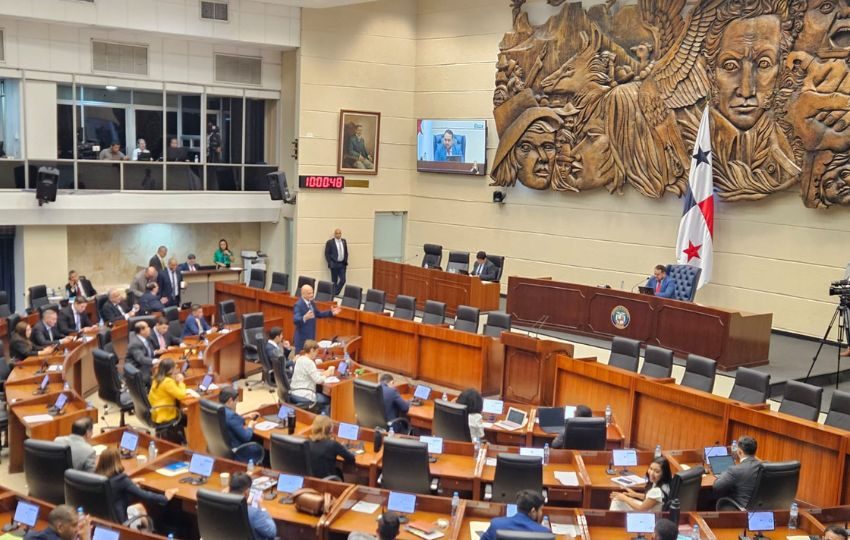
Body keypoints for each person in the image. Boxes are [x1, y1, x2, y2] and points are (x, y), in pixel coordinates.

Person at [95, 448, 176, 525]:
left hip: (103, 520)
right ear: (117, 461)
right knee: (141, 509)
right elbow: (144, 495)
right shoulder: (121, 479)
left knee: (138, 506)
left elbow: (115, 486)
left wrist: (130, 482)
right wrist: (165, 498)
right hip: (120, 521)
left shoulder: (97, 477)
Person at [713, 435, 762, 509]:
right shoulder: (766, 466)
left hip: (742, 508)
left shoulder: (736, 470)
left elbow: (717, 487)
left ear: (739, 452)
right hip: (761, 507)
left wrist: (724, 473)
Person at [481, 489, 550, 540]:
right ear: (533, 511)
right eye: (541, 509)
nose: (541, 513)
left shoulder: (496, 524)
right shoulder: (544, 533)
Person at [219, 386, 264, 464]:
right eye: (236, 401)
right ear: (230, 400)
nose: (236, 403)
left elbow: (229, 421)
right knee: (261, 446)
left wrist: (246, 416)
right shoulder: (232, 416)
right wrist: (250, 426)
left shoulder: (218, 409)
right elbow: (246, 437)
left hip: (222, 450)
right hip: (238, 451)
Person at [290, 340, 335, 415]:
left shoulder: (300, 359)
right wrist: (327, 374)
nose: (316, 354)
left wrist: (322, 373)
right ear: (311, 350)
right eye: (316, 352)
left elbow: (310, 373)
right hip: (304, 394)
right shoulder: (309, 362)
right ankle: (323, 424)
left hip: (294, 392)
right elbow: (318, 380)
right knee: (328, 401)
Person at [293, 284, 341, 352]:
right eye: (309, 293)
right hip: (302, 340)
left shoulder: (311, 302)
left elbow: (318, 314)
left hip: (311, 338)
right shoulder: (298, 305)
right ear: (303, 294)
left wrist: (331, 313)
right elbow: (295, 320)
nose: (312, 295)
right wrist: (304, 317)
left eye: (312, 292)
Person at [228, 472, 276, 540]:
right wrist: (261, 508)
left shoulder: (218, 504)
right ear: (246, 492)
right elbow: (272, 532)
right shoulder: (254, 513)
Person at [148, 358, 186, 425]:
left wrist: (175, 380)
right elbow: (181, 395)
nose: (176, 370)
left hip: (156, 413)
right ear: (170, 370)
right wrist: (181, 382)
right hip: (165, 414)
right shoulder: (167, 381)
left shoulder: (157, 378)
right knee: (188, 417)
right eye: (175, 368)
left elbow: (170, 389)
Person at [23, 504, 91, 540]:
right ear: (60, 527)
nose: (78, 530)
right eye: (74, 525)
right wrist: (86, 538)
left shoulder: (30, 535)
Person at [126, 320, 156, 387]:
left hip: (146, 364)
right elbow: (141, 359)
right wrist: (155, 361)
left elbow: (148, 351)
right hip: (138, 368)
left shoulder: (146, 338)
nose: (149, 329)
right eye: (147, 327)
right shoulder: (135, 343)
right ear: (141, 331)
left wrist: (156, 352)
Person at [324, 228, 348, 295]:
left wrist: (345, 261)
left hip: (342, 264)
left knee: (343, 280)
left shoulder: (344, 241)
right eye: (337, 233)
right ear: (334, 234)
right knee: (334, 281)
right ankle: (334, 294)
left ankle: (335, 293)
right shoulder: (330, 242)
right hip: (334, 264)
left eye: (339, 233)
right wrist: (330, 263)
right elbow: (326, 253)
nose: (338, 234)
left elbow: (346, 252)